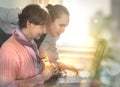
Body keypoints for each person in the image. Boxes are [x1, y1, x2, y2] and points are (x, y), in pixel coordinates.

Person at [0, 4, 78, 75]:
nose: (63, 30)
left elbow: (52, 55)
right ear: (51, 20)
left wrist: (60, 64)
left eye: (65, 26)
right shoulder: (29, 15)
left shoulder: (53, 35)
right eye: (61, 25)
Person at [0, 4, 54, 87]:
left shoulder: (31, 43)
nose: (44, 31)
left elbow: (34, 67)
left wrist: (45, 66)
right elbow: (7, 85)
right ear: (29, 24)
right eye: (42, 27)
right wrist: (41, 78)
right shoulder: (9, 49)